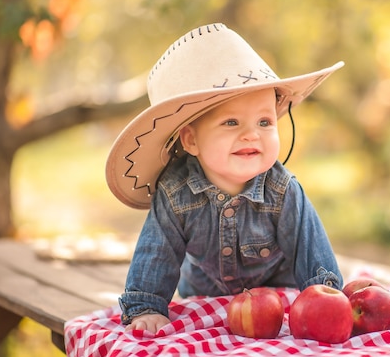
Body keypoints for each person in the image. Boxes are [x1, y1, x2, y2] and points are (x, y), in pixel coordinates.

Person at [105, 23, 345, 333]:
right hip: (204, 293)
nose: (251, 134)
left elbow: (309, 248)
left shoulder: (283, 190)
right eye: (231, 122)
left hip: (276, 291)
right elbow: (157, 251)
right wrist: (147, 306)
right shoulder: (176, 193)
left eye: (264, 121)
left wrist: (325, 298)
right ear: (191, 141)